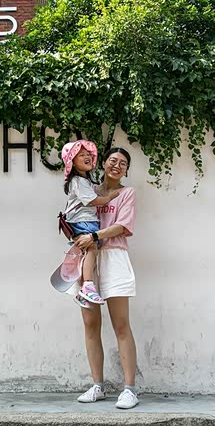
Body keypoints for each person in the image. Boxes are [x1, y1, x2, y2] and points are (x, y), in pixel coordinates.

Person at [73, 147, 140, 410]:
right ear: (104, 163)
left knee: (121, 325)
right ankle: (98, 386)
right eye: (113, 160)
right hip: (88, 258)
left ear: (126, 170)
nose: (116, 165)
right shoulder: (88, 190)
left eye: (123, 163)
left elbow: (122, 226)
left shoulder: (126, 193)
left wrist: (95, 236)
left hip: (114, 258)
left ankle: (130, 389)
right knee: (90, 324)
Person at [60, 140, 120, 308]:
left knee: (86, 253)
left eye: (88, 154)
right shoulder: (78, 181)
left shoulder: (84, 181)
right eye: (81, 155)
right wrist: (108, 198)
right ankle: (87, 286)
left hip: (82, 221)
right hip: (83, 221)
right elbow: (93, 200)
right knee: (92, 249)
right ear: (72, 162)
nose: (87, 157)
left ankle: (82, 292)